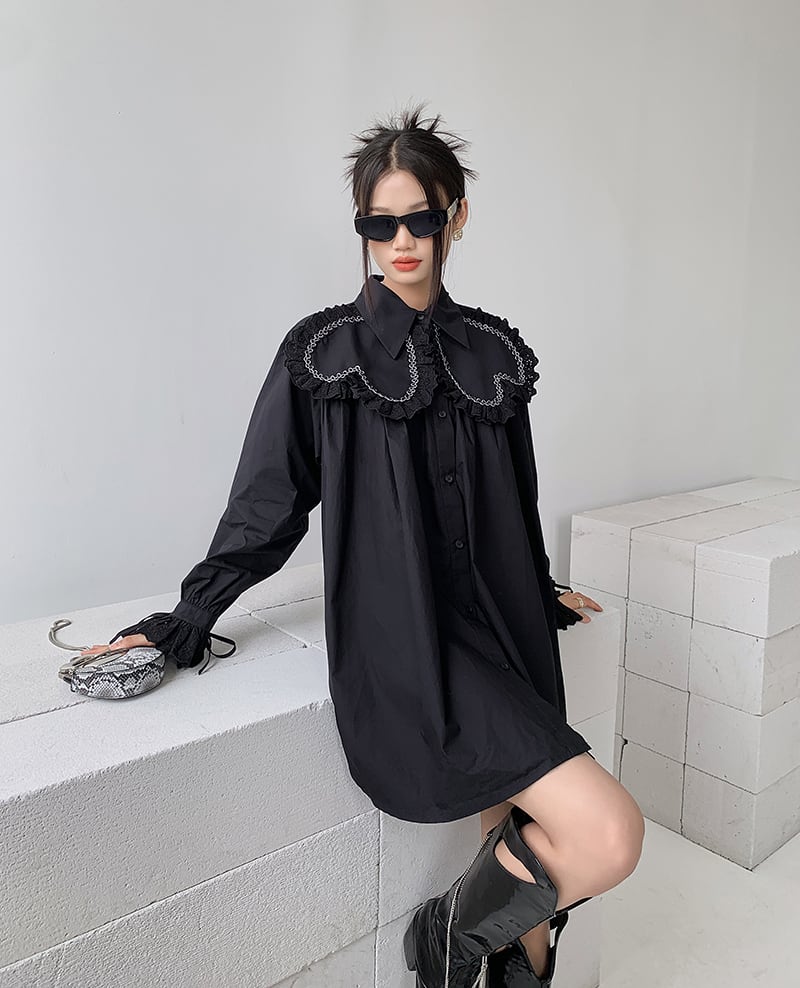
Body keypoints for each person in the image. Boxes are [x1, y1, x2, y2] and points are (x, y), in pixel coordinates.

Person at [80, 105, 644, 988]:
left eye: (420, 219)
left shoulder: (493, 351)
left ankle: (501, 963)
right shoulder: (324, 354)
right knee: (608, 834)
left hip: (506, 624)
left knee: (523, 853)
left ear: (457, 217)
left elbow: (518, 498)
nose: (401, 242)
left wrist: (538, 587)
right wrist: (188, 617)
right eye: (379, 225)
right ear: (362, 228)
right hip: (411, 641)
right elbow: (266, 505)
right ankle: (442, 941)